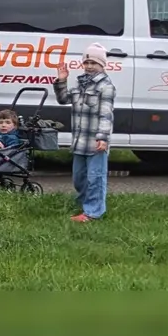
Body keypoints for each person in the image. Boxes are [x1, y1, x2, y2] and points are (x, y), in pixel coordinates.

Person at [54, 44, 117, 223]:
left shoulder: (106, 87)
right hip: (79, 141)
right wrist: (61, 81)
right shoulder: (80, 83)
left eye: (94, 63)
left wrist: (102, 138)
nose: (89, 66)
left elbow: (106, 114)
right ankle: (83, 204)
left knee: (95, 177)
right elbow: (63, 99)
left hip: (96, 142)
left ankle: (93, 213)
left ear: (102, 65)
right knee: (79, 177)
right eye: (87, 62)